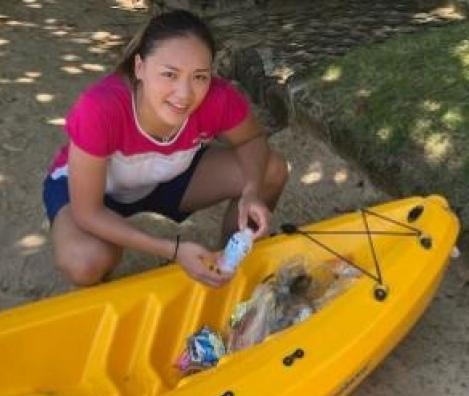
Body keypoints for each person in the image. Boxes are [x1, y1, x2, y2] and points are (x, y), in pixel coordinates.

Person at [44, 9, 288, 288]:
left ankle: (230, 262)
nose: (184, 94)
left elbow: (253, 140)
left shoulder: (217, 99)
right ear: (139, 68)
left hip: (169, 177)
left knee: (272, 169)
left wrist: (252, 190)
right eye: (169, 74)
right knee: (85, 261)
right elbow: (88, 212)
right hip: (99, 192)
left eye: (199, 76)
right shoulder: (99, 109)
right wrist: (173, 250)